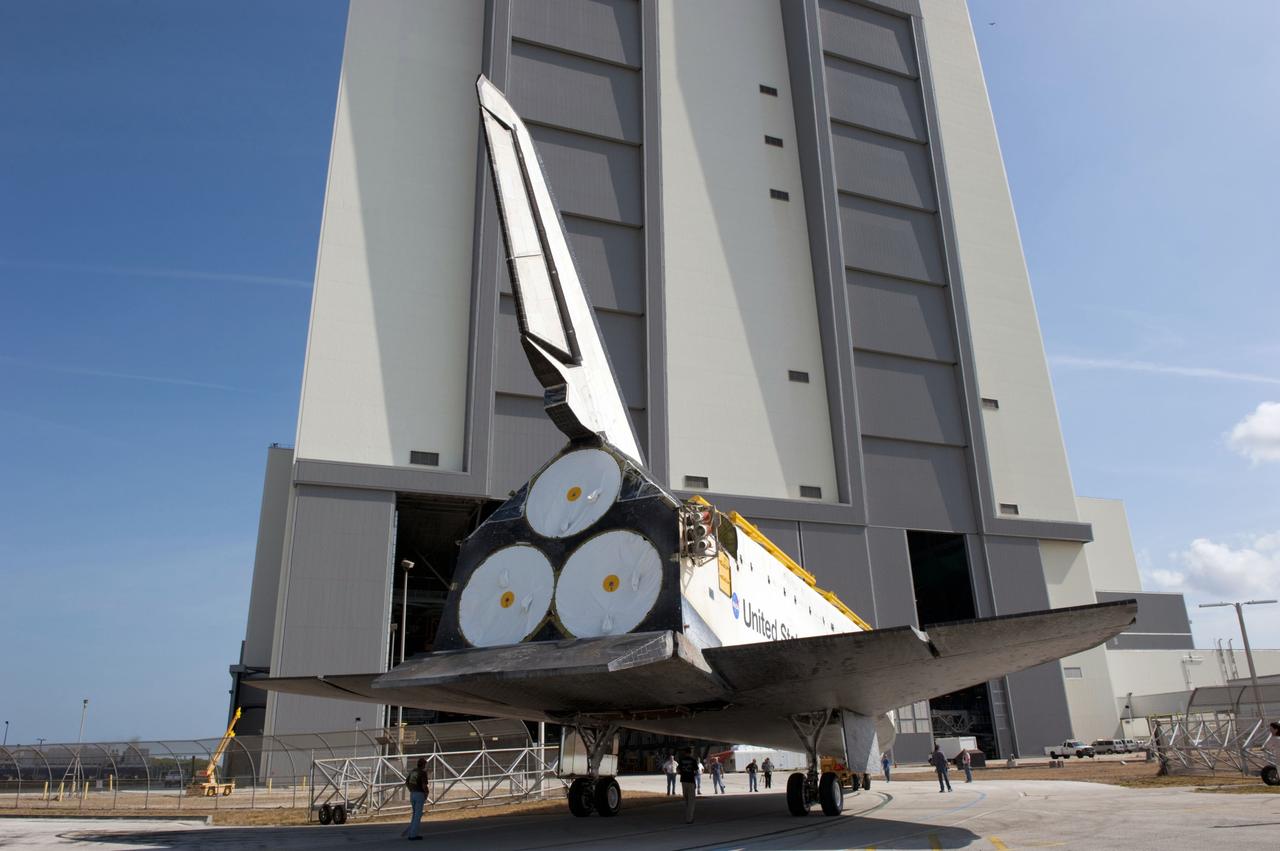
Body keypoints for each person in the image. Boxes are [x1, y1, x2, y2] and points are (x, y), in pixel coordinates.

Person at [401, 757, 429, 840]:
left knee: (414, 814)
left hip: (413, 793)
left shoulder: (413, 771)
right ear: (423, 764)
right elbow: (424, 785)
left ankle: (411, 833)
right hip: (419, 794)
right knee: (418, 815)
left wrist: (411, 789)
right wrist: (426, 793)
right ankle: (413, 835)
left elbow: (407, 782)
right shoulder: (422, 773)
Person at [677, 747, 699, 823]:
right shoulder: (693, 760)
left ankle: (688, 815)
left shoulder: (681, 760)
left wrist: (682, 773)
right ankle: (689, 818)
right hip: (690, 781)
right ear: (690, 752)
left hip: (683, 781)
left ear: (685, 752)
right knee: (691, 801)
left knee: (686, 799)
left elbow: (678, 770)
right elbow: (696, 771)